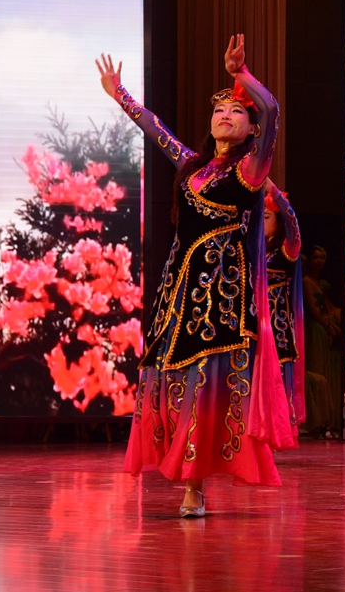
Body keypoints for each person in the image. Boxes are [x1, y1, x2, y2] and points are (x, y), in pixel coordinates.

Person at [96, 35, 292, 518]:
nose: (226, 115)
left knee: (207, 384)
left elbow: (273, 110)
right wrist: (120, 94)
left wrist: (241, 74)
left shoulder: (251, 170)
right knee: (175, 379)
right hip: (179, 289)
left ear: (251, 130)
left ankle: (194, 487)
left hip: (221, 296)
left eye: (236, 111)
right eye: (219, 110)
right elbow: (156, 129)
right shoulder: (192, 167)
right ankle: (187, 477)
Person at [262, 180, 305, 440]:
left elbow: (292, 222)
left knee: (275, 380)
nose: (261, 222)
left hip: (277, 330)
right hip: (256, 327)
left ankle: (278, 431)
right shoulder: (255, 250)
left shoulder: (287, 249)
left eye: (266, 217)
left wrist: (276, 195)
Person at [302, 245, 344, 435]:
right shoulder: (306, 281)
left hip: (322, 328)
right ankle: (313, 422)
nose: (319, 261)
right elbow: (314, 309)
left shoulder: (319, 283)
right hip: (314, 328)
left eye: (322, 257)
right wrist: (329, 328)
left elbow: (325, 309)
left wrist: (331, 329)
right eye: (315, 257)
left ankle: (323, 420)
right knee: (315, 369)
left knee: (323, 373)